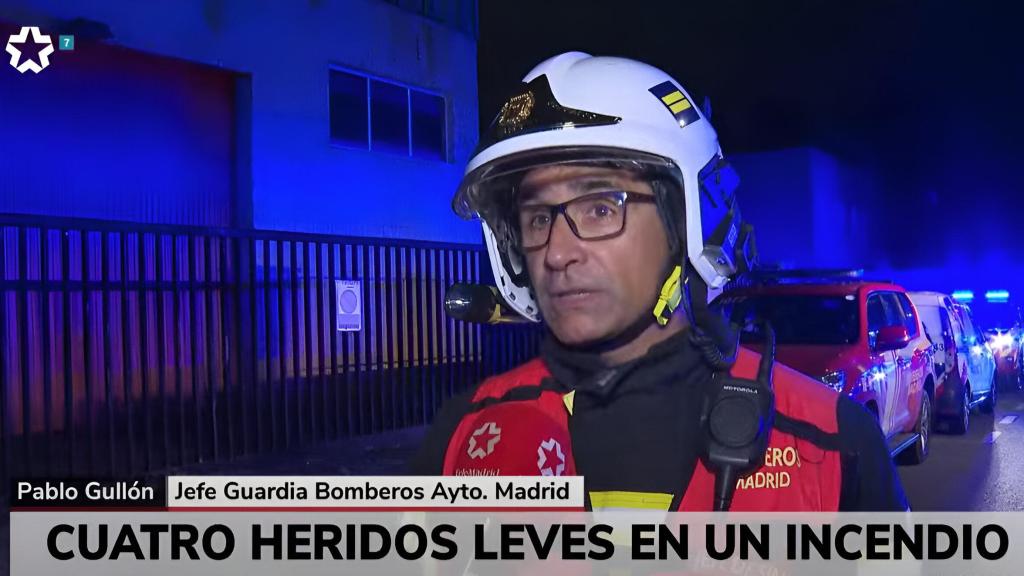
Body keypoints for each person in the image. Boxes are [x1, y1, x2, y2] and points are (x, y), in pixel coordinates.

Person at [409, 52, 908, 511]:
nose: (557, 253)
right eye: (539, 218)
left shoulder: (831, 445)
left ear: (686, 222)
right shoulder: (464, 438)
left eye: (601, 207)